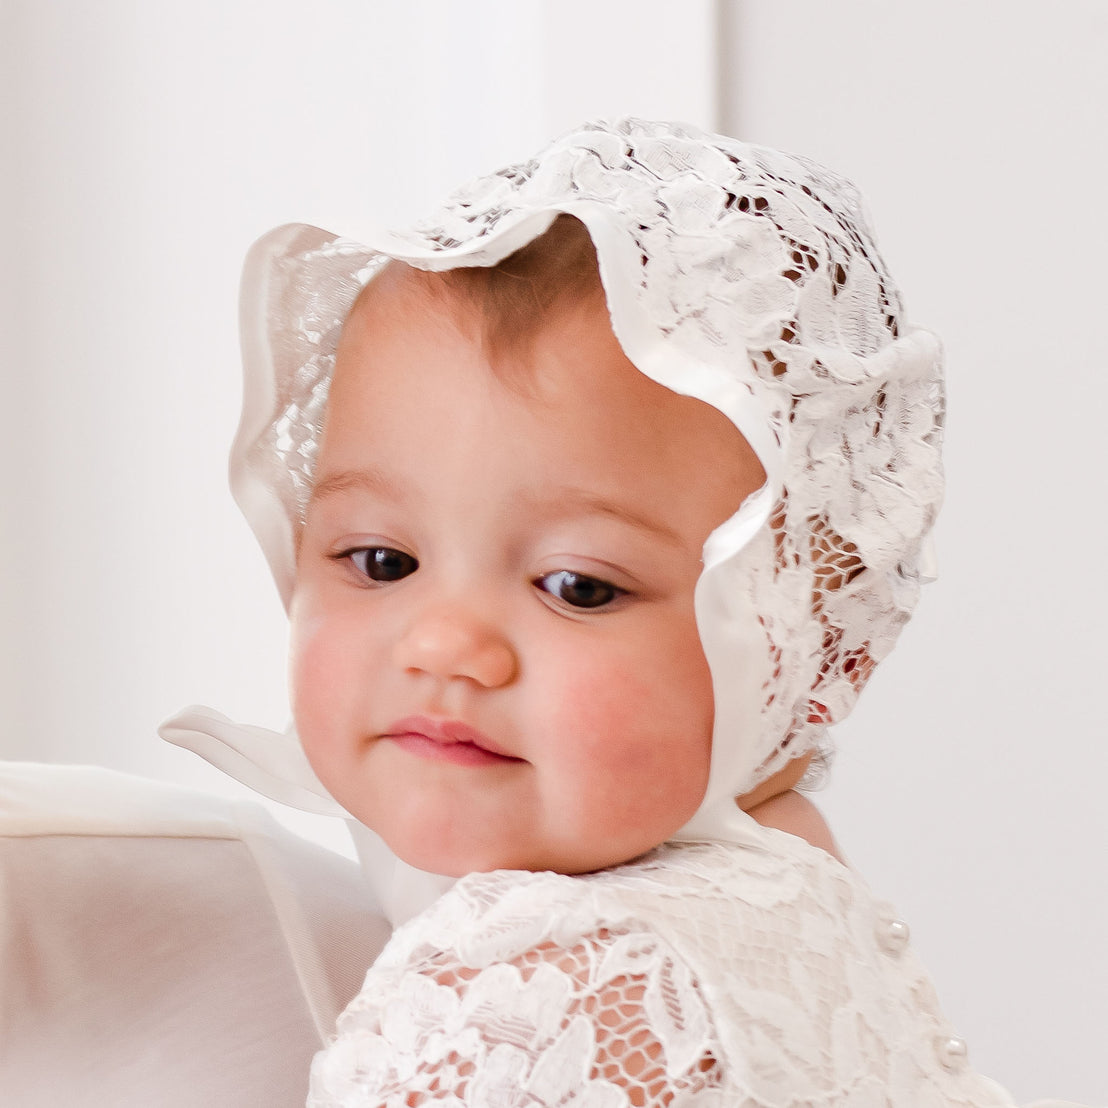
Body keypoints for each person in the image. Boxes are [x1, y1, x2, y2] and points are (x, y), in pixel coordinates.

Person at [162, 118, 1088, 1106]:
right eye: (382, 560)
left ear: (797, 635)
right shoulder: (784, 896)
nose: (445, 645)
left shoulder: (531, 990)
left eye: (578, 587)